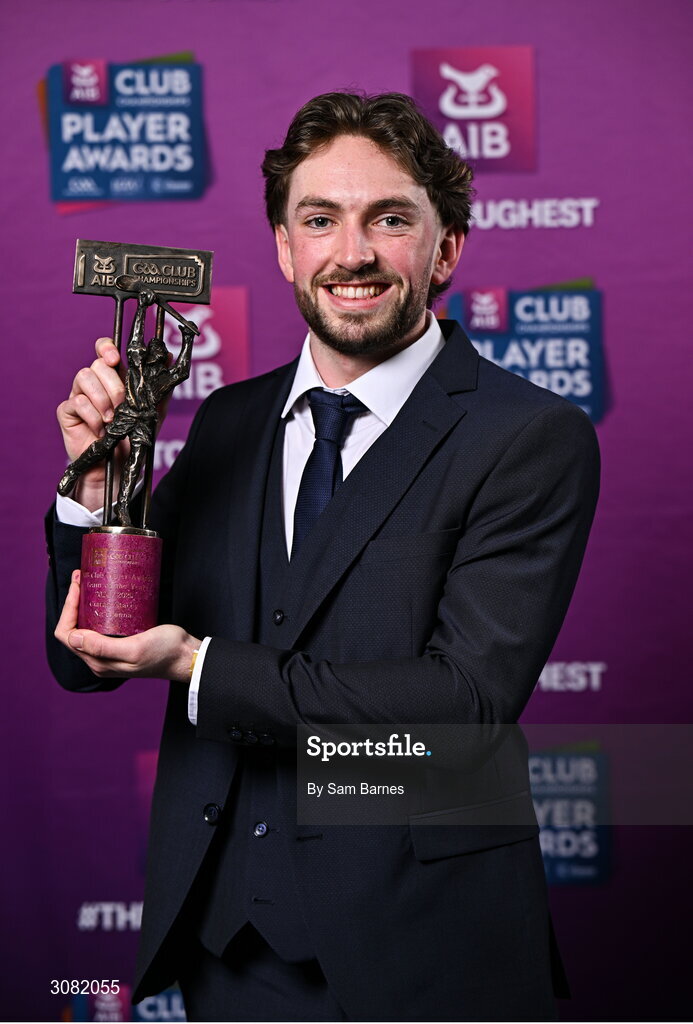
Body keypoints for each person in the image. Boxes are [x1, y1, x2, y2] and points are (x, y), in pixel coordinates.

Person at [46, 91, 600, 1022]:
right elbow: (86, 658)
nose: (351, 253)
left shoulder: (529, 436)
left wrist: (198, 665)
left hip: (425, 949)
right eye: (319, 220)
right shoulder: (225, 421)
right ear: (282, 246)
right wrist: (99, 504)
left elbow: (461, 704)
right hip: (227, 945)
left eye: (389, 219)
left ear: (446, 247)